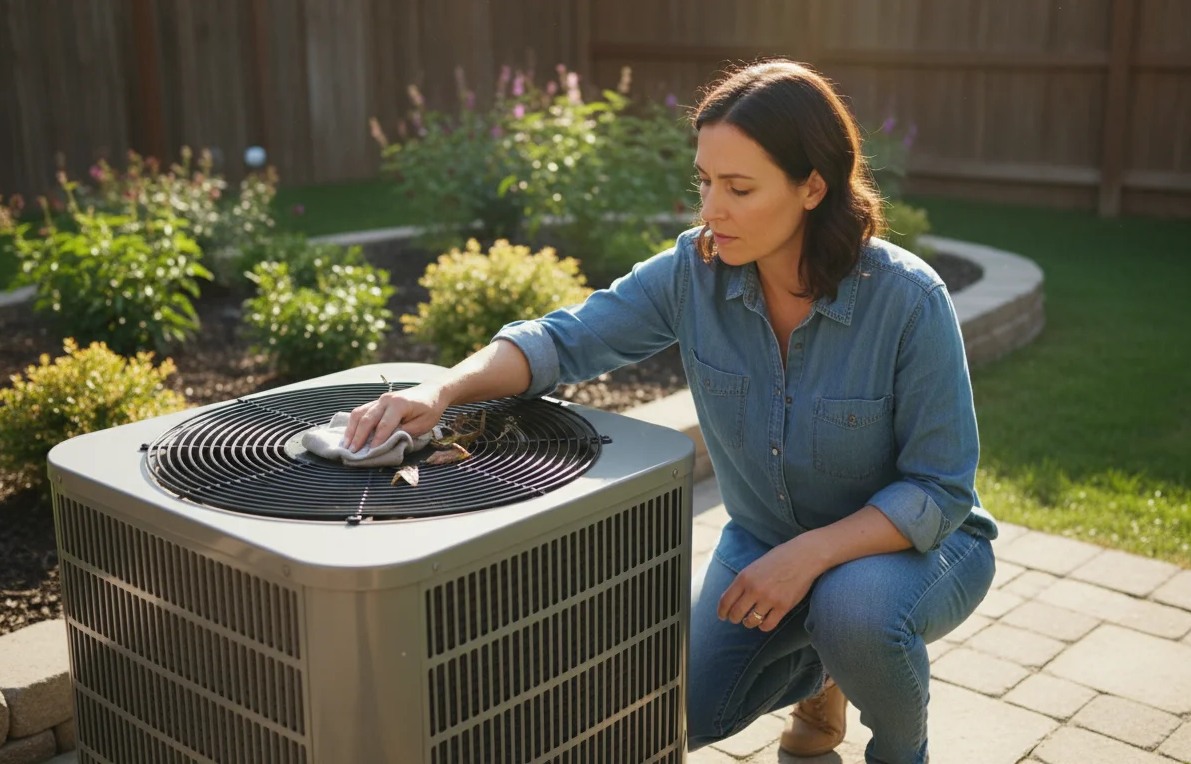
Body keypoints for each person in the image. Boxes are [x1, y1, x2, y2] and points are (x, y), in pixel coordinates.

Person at [343, 60, 997, 764]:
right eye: (705, 182)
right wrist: (441, 389)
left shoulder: (908, 300)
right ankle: (824, 669)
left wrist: (810, 557)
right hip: (766, 540)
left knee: (854, 611)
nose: (710, 209)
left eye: (739, 188)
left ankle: (900, 741)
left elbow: (941, 487)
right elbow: (565, 338)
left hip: (920, 550)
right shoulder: (696, 270)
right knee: (672, 712)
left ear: (813, 186)